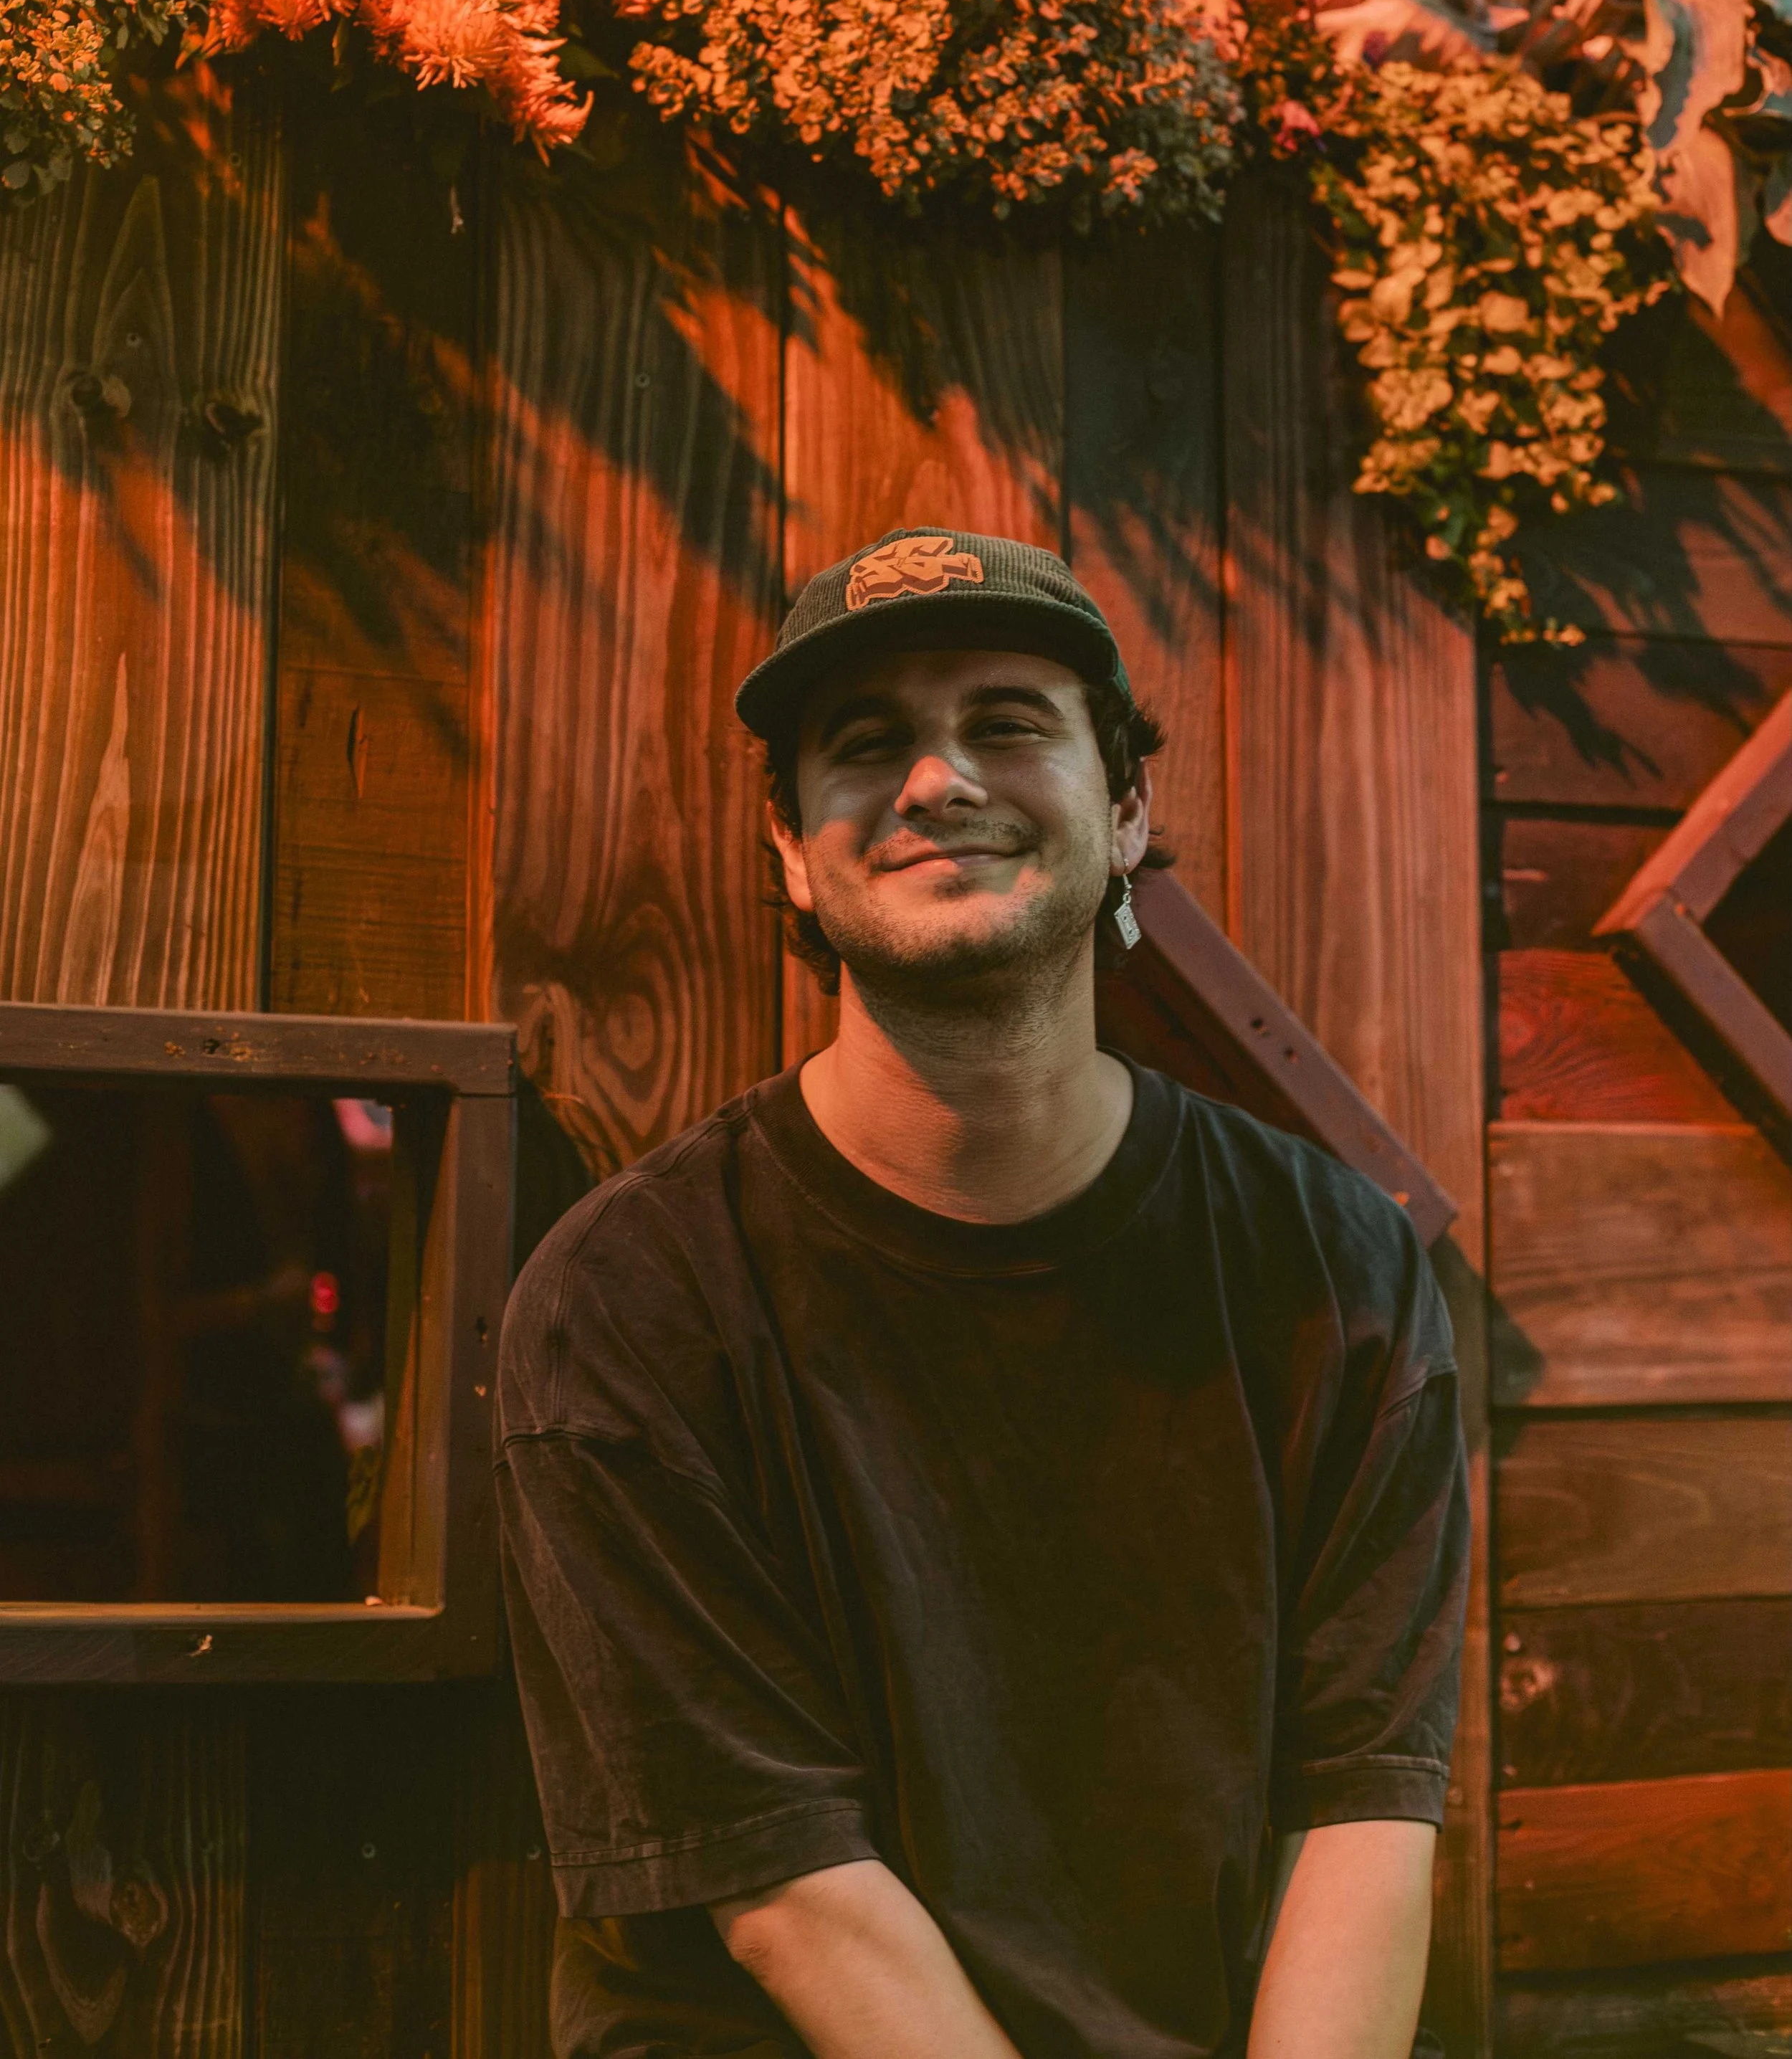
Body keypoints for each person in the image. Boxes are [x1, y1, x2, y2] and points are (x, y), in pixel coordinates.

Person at [497, 526, 1470, 2059]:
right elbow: (789, 1892)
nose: (936, 781)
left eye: (1006, 723)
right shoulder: (622, 1303)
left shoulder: (1332, 1267)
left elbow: (1359, 1807)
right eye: (865, 743)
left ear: (1126, 804)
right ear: (787, 850)